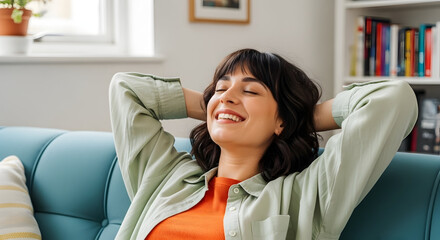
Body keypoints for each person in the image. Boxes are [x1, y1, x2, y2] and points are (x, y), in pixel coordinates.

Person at [109, 48, 418, 239]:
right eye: (220, 87)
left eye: (251, 91)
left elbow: (394, 99)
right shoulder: (166, 177)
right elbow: (126, 88)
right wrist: (219, 108)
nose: (228, 95)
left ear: (280, 121)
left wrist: (298, 118)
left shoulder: (305, 196)